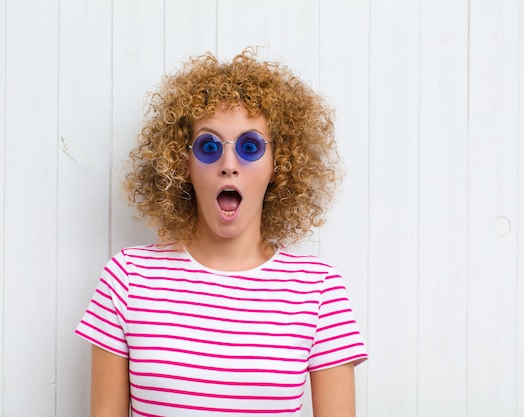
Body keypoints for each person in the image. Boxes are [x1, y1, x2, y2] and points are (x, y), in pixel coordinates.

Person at [76, 47, 367, 417]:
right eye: (209, 147)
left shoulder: (318, 289)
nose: (229, 165)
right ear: (182, 163)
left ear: (279, 164)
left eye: (249, 147)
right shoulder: (128, 278)